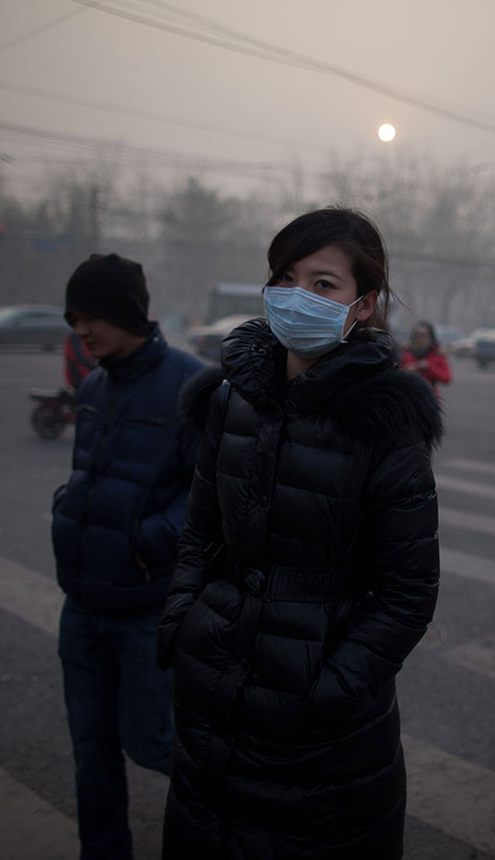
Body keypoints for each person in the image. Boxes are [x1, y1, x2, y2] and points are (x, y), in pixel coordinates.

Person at [157, 208, 442, 858]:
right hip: (211, 706)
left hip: (323, 745)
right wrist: (183, 623)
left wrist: (326, 693)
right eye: (285, 279)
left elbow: (408, 593)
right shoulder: (230, 401)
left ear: (363, 305)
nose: (296, 298)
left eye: (322, 285)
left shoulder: (385, 422)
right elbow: (200, 534)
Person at [51, 252, 205, 859]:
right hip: (82, 606)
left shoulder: (189, 384)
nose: (81, 330)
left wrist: (148, 543)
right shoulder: (92, 384)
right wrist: (68, 510)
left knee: (153, 742)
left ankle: (230, 829)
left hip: (145, 611)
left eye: (92, 317)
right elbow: (87, 474)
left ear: (128, 314)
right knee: (91, 754)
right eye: (73, 318)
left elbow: (210, 493)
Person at [400, 320, 453, 403]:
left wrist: (429, 366)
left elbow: (446, 378)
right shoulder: (407, 353)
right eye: (418, 335)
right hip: (408, 397)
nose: (421, 339)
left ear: (431, 337)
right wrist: (406, 371)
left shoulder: (437, 353)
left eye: (424, 335)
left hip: (430, 397)